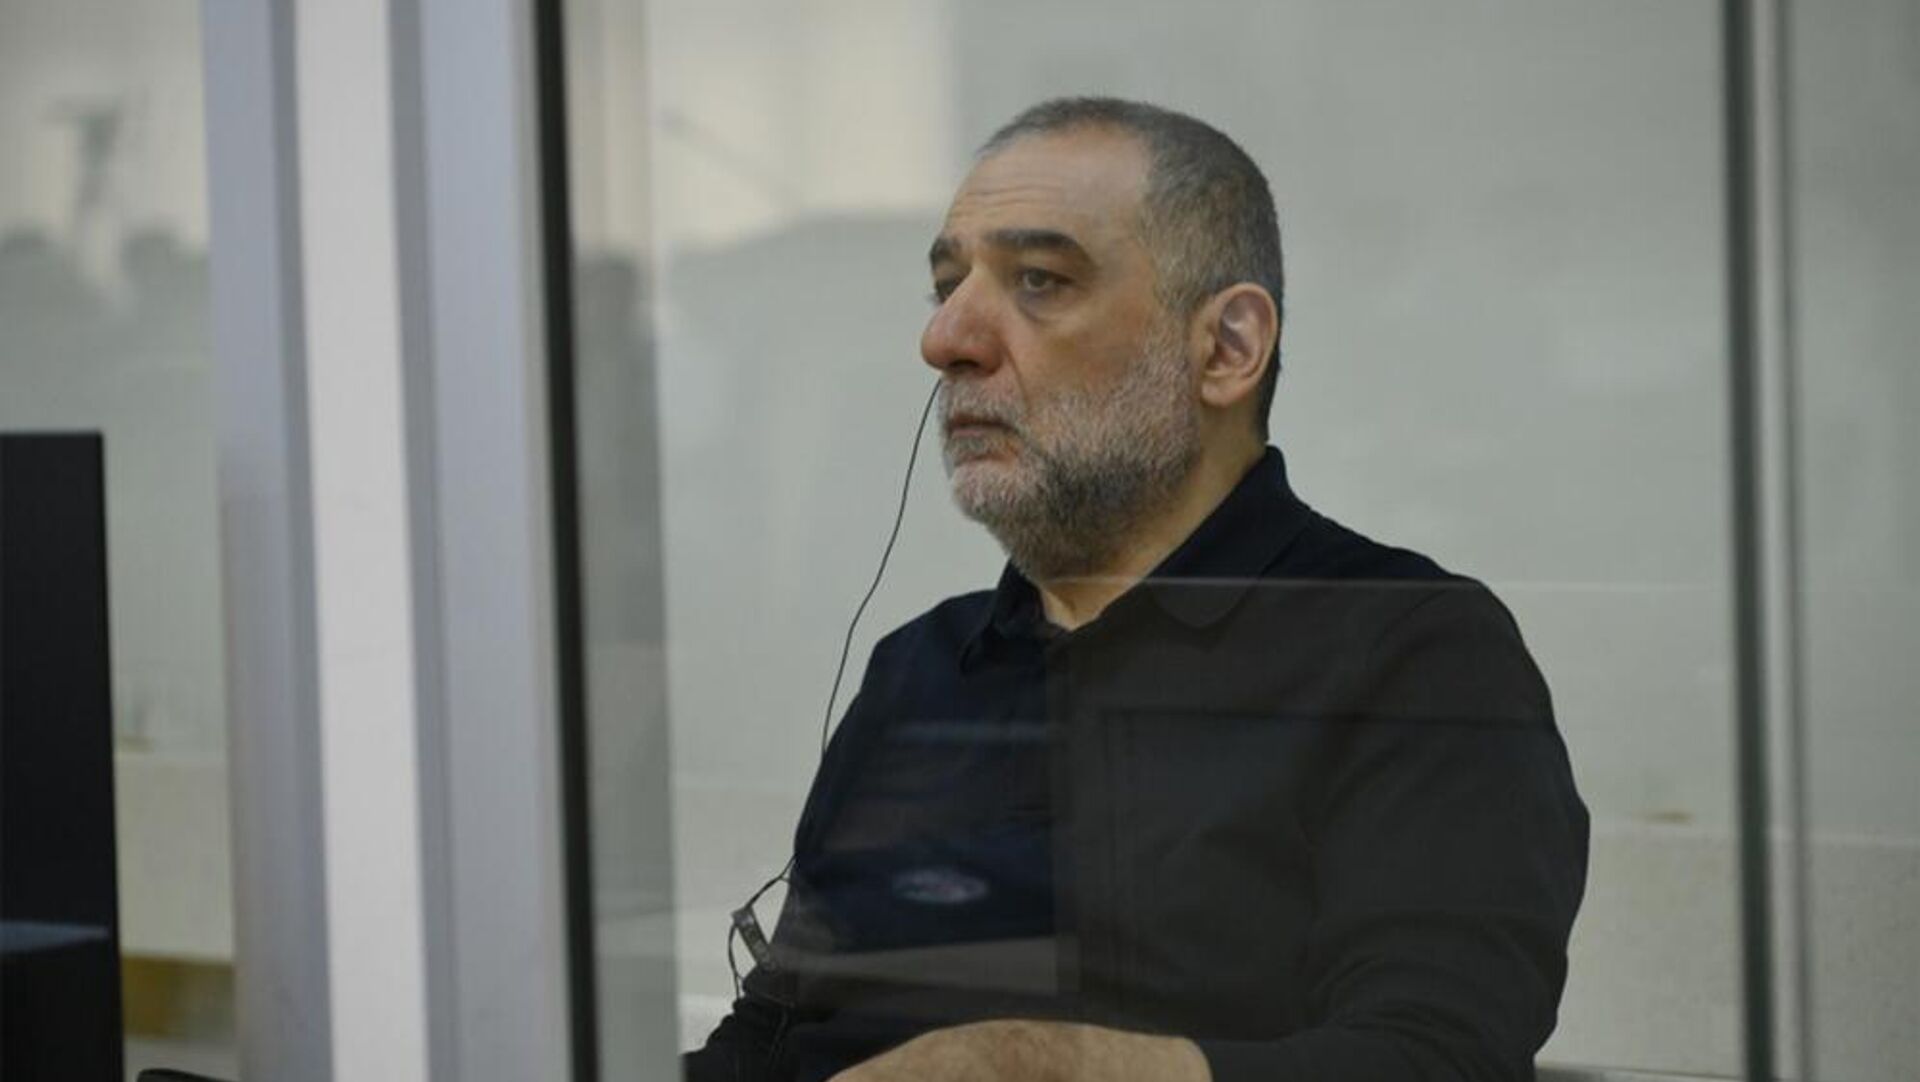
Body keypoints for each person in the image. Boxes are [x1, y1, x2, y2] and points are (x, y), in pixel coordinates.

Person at [684, 97, 1588, 1082]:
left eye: (1039, 279)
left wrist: (1034, 1065)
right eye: (947, 286)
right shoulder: (921, 668)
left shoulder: (1408, 648)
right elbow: (768, 1035)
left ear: (1226, 347)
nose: (946, 338)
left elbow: (1441, 1055)